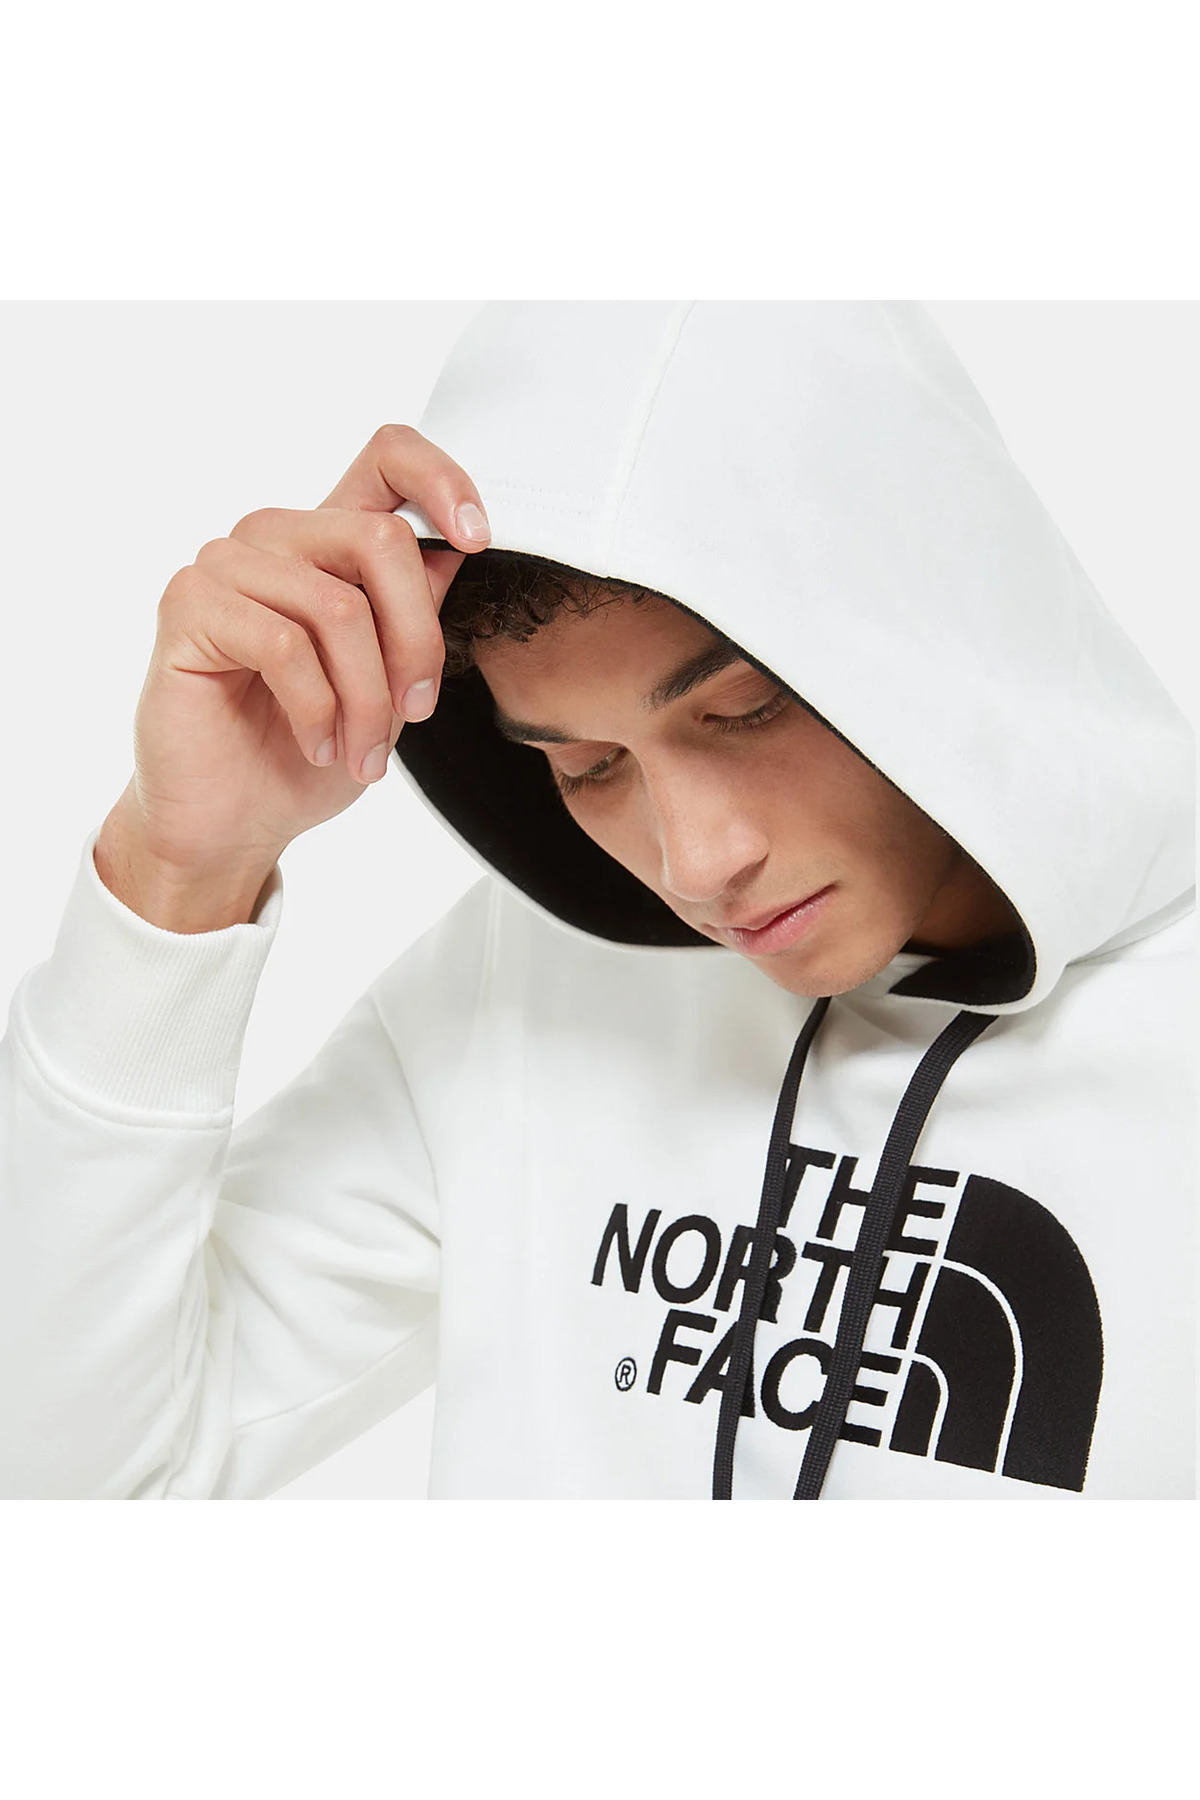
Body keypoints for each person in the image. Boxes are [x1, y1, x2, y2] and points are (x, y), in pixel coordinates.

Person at [0, 301, 1192, 1500]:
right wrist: (181, 871)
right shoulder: (525, 985)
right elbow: (79, 1488)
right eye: (588, 766)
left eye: (744, 711)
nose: (694, 865)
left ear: (936, 604)